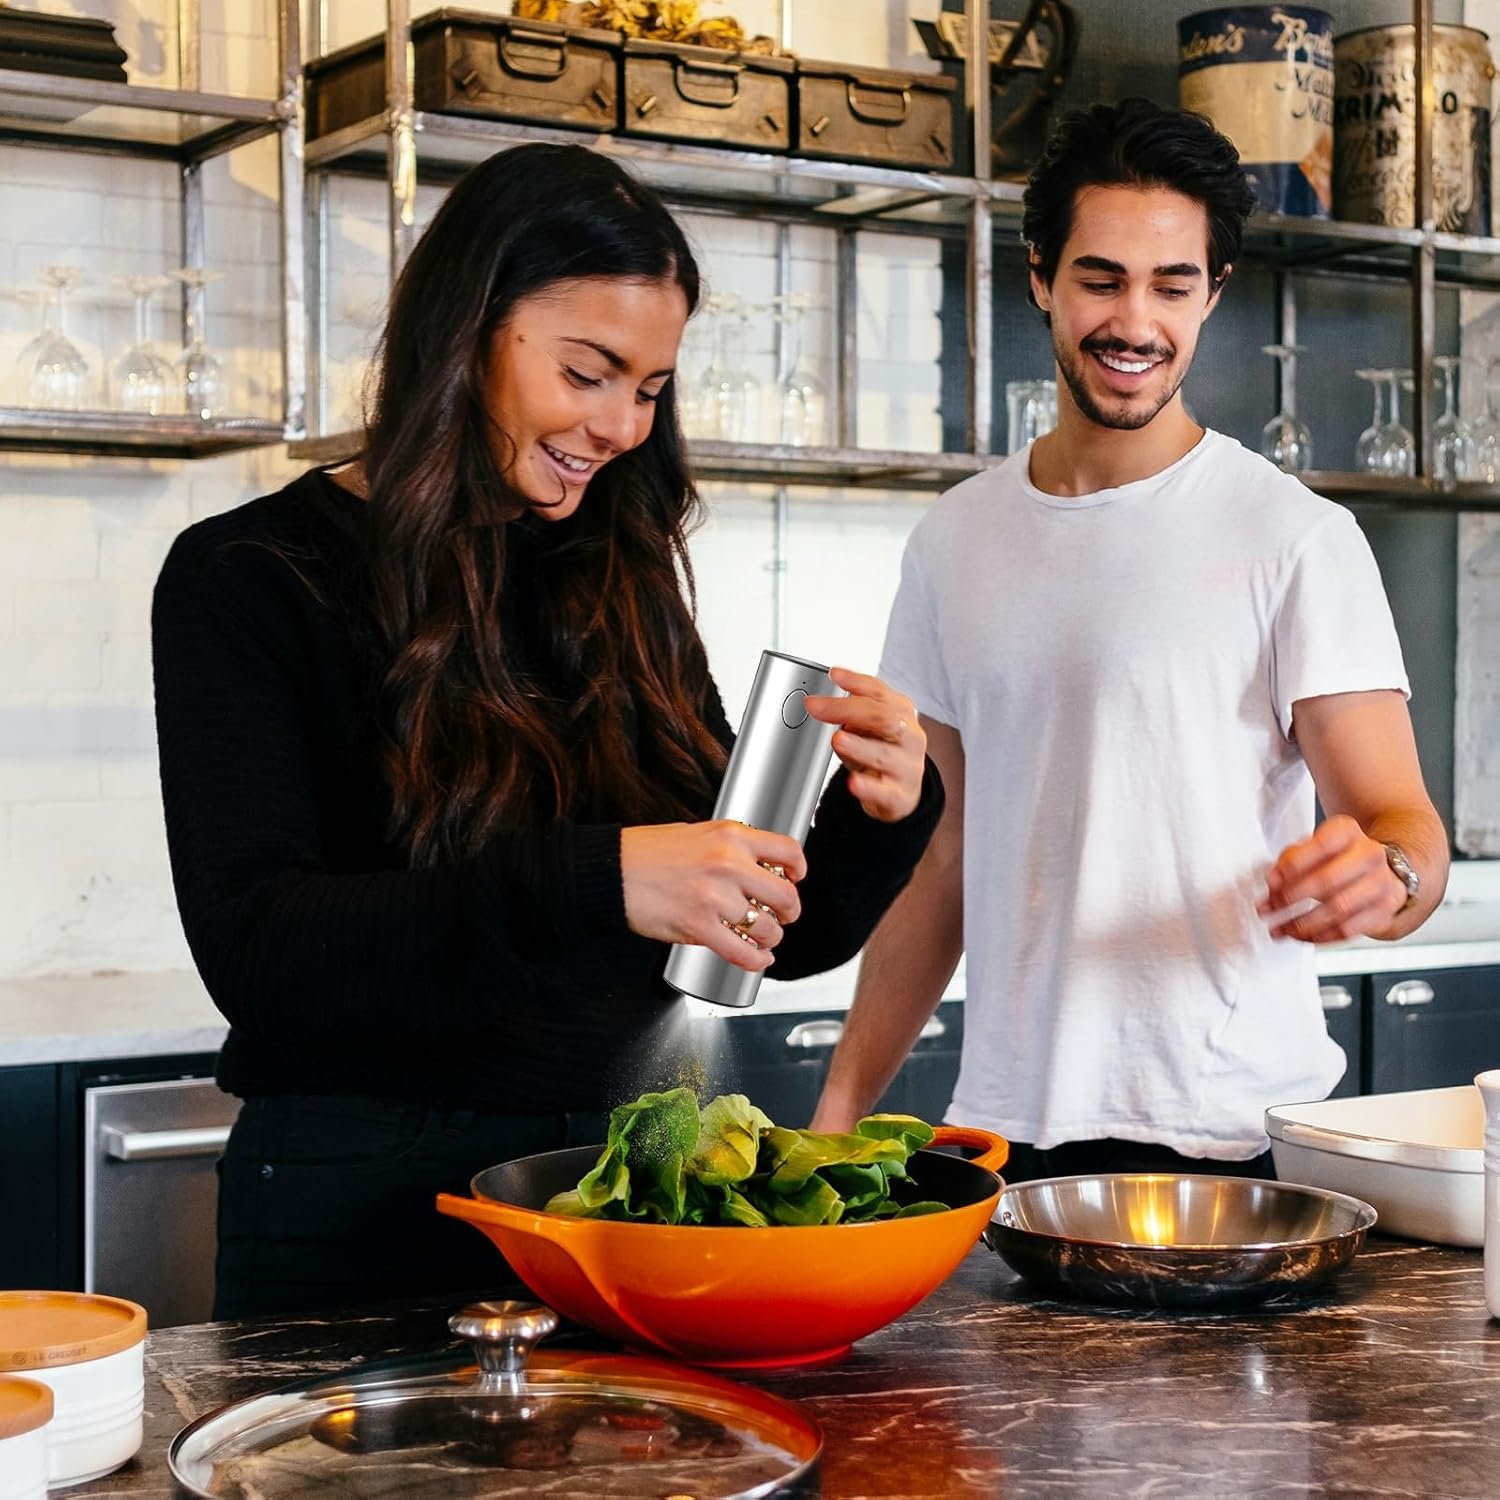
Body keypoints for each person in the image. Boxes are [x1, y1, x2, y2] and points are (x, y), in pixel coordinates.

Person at [152, 142, 943, 1319]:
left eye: (651, 388)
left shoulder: (622, 578)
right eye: (590, 371)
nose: (622, 424)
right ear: (469, 329)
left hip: (621, 1206)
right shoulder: (249, 577)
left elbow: (753, 936)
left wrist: (884, 814)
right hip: (362, 1220)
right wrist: (600, 880)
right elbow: (262, 955)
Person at [810, 99, 1449, 1181]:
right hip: (1007, 1139)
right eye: (1101, 279)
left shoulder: (1295, 538)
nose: (1135, 322)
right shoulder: (955, 539)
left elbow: (1404, 833)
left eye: (1172, 285)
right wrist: (835, 1116)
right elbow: (941, 861)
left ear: (1215, 294)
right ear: (1040, 277)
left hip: (1234, 1139)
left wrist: (1383, 877)